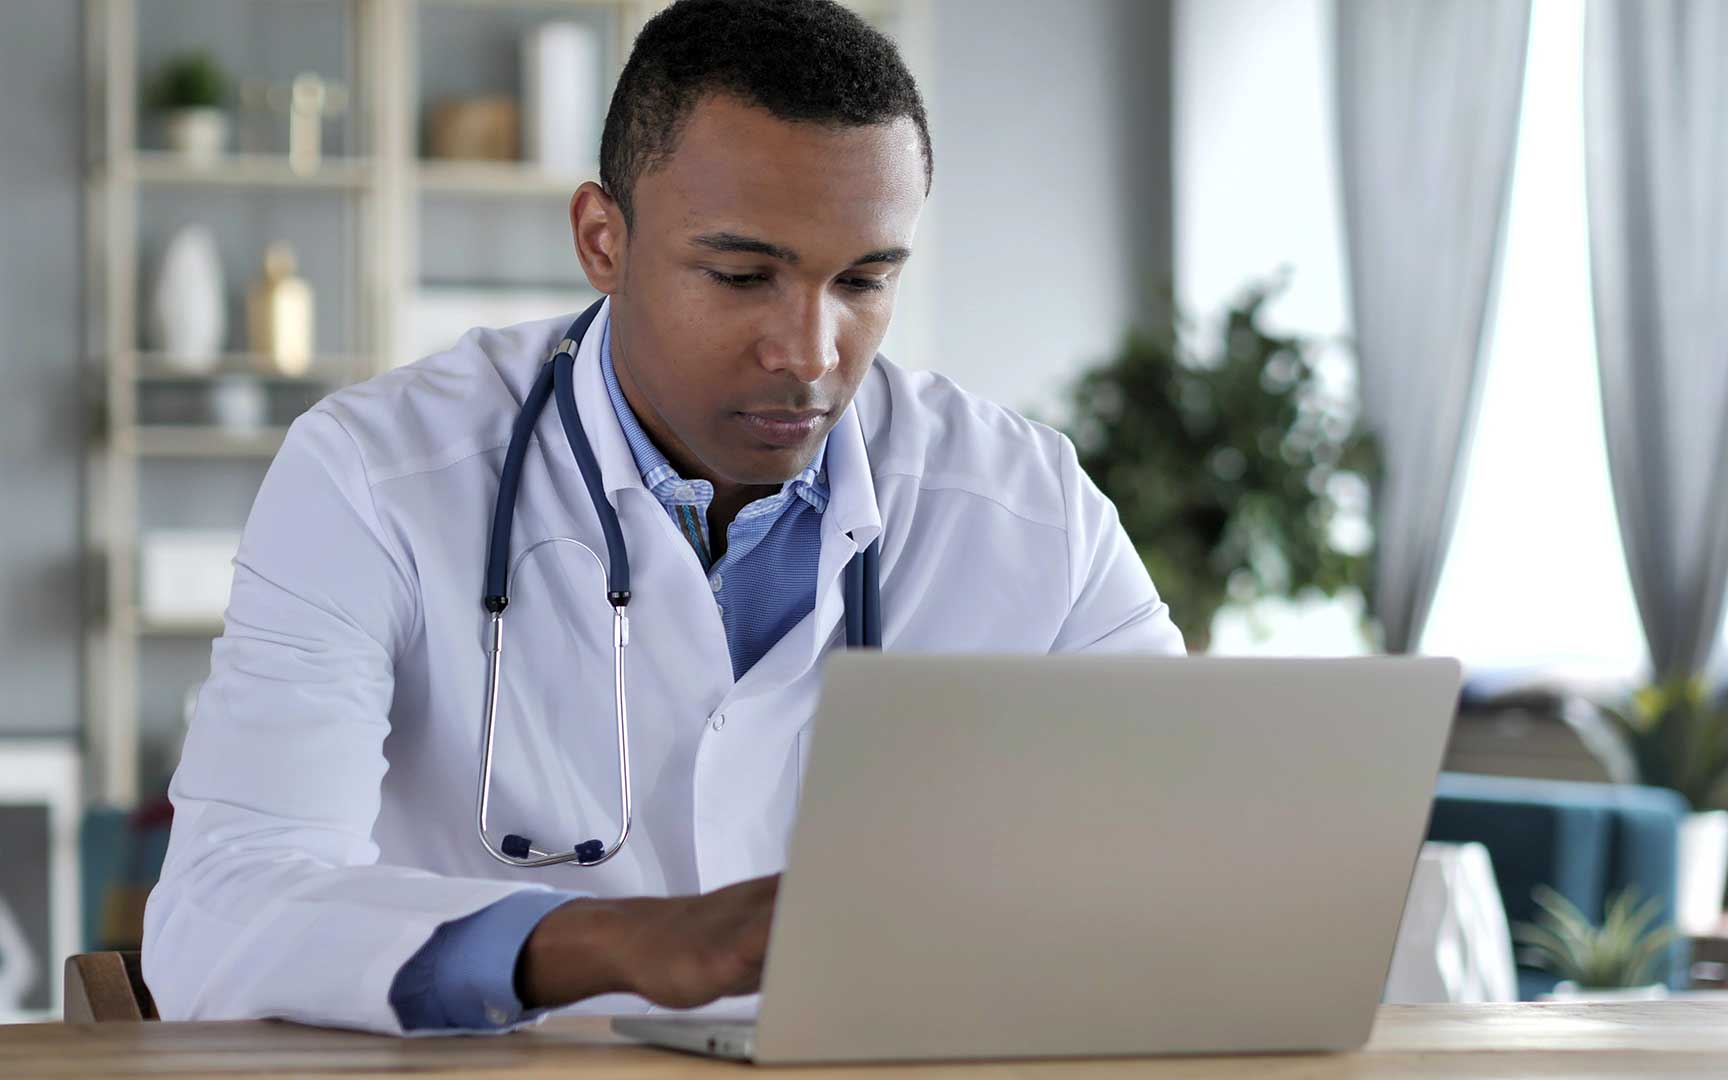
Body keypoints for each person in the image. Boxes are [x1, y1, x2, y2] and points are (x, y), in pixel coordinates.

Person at [144, 0, 1182, 1035]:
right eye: (741, 276)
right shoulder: (373, 476)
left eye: (863, 281)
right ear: (603, 239)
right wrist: (621, 943)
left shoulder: (1028, 504)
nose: (811, 352)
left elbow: (1197, 859)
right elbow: (220, 912)